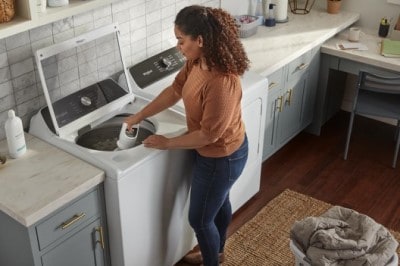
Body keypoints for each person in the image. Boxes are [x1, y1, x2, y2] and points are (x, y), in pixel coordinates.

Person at [124, 5, 250, 266]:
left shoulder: (222, 80)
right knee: (219, 202)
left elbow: (208, 135)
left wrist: (167, 143)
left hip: (223, 157)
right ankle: (216, 253)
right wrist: (139, 115)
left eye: (181, 40)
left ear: (200, 40)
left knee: (200, 219)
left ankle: (211, 261)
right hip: (215, 154)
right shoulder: (198, 60)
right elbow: (175, 90)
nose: (179, 46)